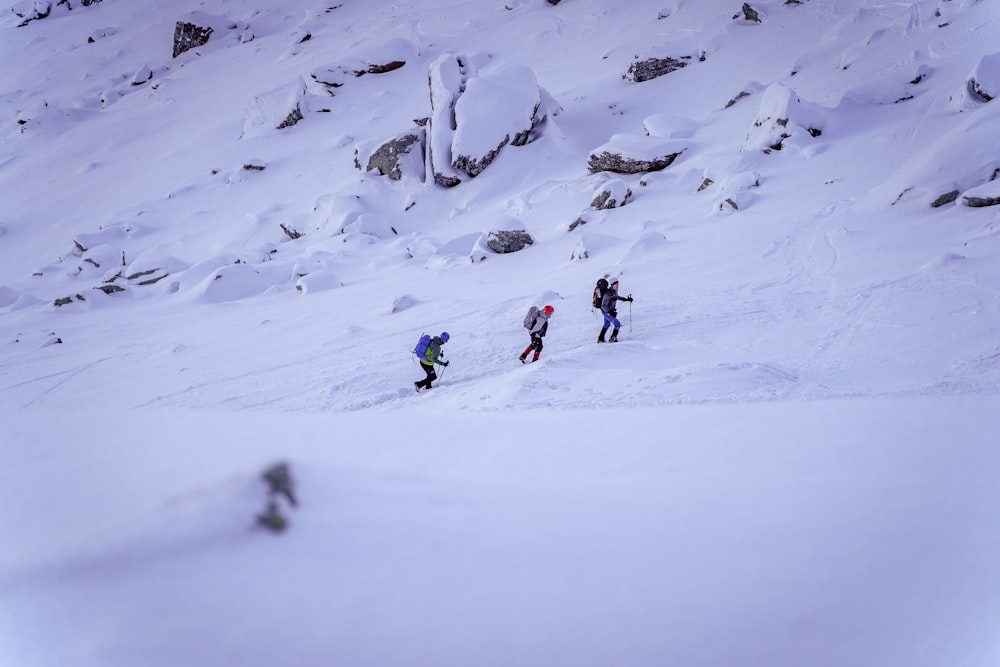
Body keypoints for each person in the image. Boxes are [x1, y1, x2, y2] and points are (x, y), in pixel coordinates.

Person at [599, 278, 633, 343]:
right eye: (616, 284)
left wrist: (626, 299)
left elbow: (617, 297)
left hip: (608, 312)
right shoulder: (607, 293)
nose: (617, 286)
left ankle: (600, 339)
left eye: (618, 284)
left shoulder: (614, 292)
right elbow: (603, 306)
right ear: (612, 285)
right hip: (606, 312)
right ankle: (613, 339)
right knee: (617, 324)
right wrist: (610, 312)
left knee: (607, 324)